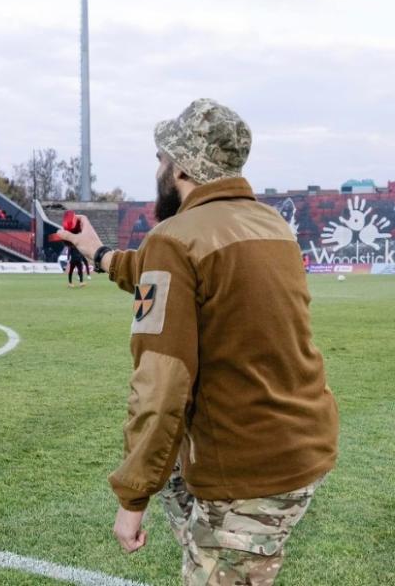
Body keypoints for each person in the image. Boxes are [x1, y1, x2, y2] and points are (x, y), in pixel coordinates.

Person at [58, 99, 339, 585]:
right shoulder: (271, 225)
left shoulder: (175, 238)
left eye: (161, 159)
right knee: (200, 534)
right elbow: (165, 273)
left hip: (248, 469)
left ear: (182, 166)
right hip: (301, 446)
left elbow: (161, 385)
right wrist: (98, 253)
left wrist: (131, 498)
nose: (159, 169)